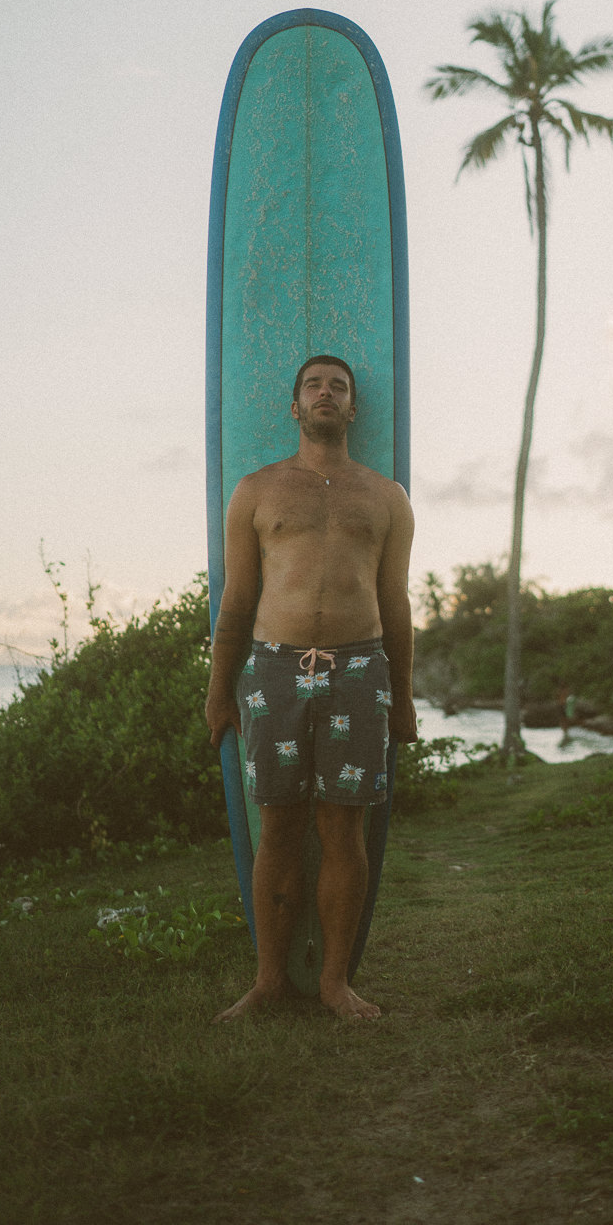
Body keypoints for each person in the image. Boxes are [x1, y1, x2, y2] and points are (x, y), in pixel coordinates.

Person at [205, 355, 417, 1022]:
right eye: (313, 386)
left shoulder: (385, 497)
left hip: (361, 669)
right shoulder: (257, 491)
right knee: (279, 826)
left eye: (339, 387)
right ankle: (269, 981)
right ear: (294, 407)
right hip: (272, 670)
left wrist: (404, 696)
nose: (326, 394)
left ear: (354, 409)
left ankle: (333, 983)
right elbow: (237, 599)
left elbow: (396, 601)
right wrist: (218, 692)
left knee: (344, 828)